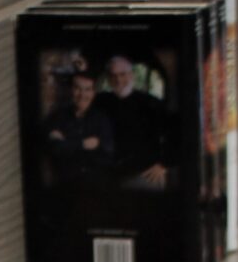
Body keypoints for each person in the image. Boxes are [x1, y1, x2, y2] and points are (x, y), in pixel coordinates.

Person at [95, 54, 171, 189]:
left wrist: (164, 163)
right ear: (108, 78)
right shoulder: (101, 102)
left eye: (122, 74)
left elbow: (174, 132)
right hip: (110, 177)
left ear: (131, 75)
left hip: (145, 177)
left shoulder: (150, 102)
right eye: (113, 75)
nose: (118, 79)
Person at [39, 66, 112, 185]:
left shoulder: (102, 119)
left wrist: (67, 143)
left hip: (96, 186)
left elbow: (108, 152)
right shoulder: (57, 117)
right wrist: (84, 144)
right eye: (77, 88)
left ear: (93, 93)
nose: (82, 95)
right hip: (65, 185)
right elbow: (54, 148)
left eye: (87, 89)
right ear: (71, 90)